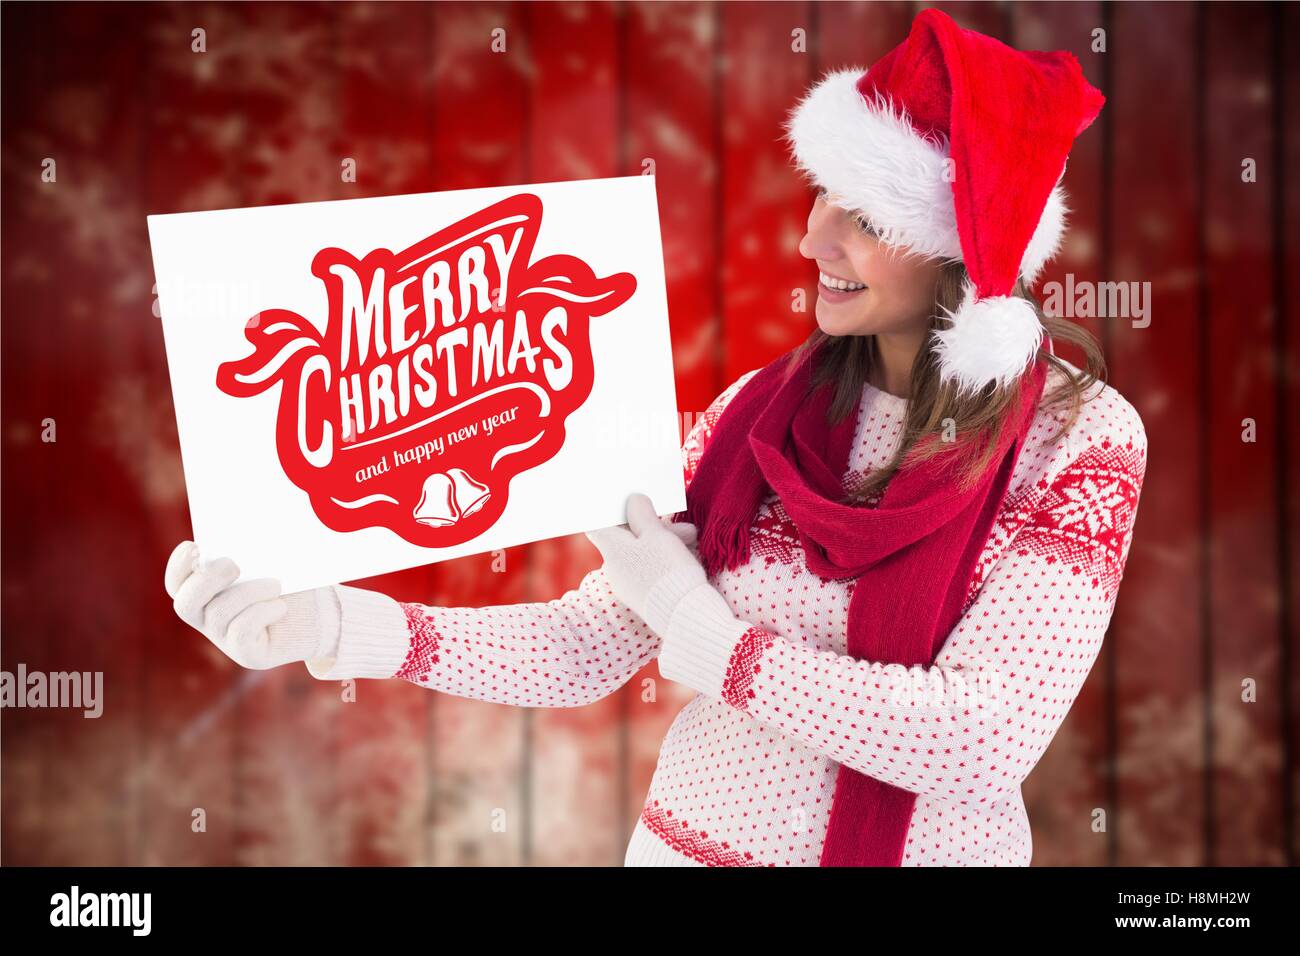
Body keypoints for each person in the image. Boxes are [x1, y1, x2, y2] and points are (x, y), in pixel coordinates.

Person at [165, 9, 1146, 866]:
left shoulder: (1079, 443)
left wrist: (713, 641)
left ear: (965, 249)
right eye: (821, 198)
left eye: (867, 218)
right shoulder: (755, 414)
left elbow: (980, 739)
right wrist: (335, 624)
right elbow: (586, 643)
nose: (813, 240)